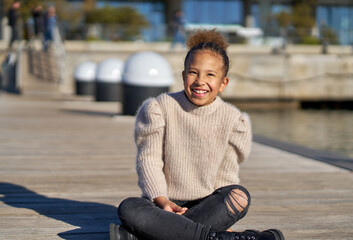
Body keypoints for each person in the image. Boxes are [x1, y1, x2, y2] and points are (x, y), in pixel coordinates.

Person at [114, 29, 285, 240]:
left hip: (206, 207)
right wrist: (162, 200)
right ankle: (216, 237)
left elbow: (225, 178)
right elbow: (149, 160)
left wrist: (224, 219)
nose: (200, 81)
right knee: (129, 207)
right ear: (184, 75)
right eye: (193, 72)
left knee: (240, 196)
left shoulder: (234, 120)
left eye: (210, 75)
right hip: (162, 205)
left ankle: (151, 236)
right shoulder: (159, 108)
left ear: (223, 83)